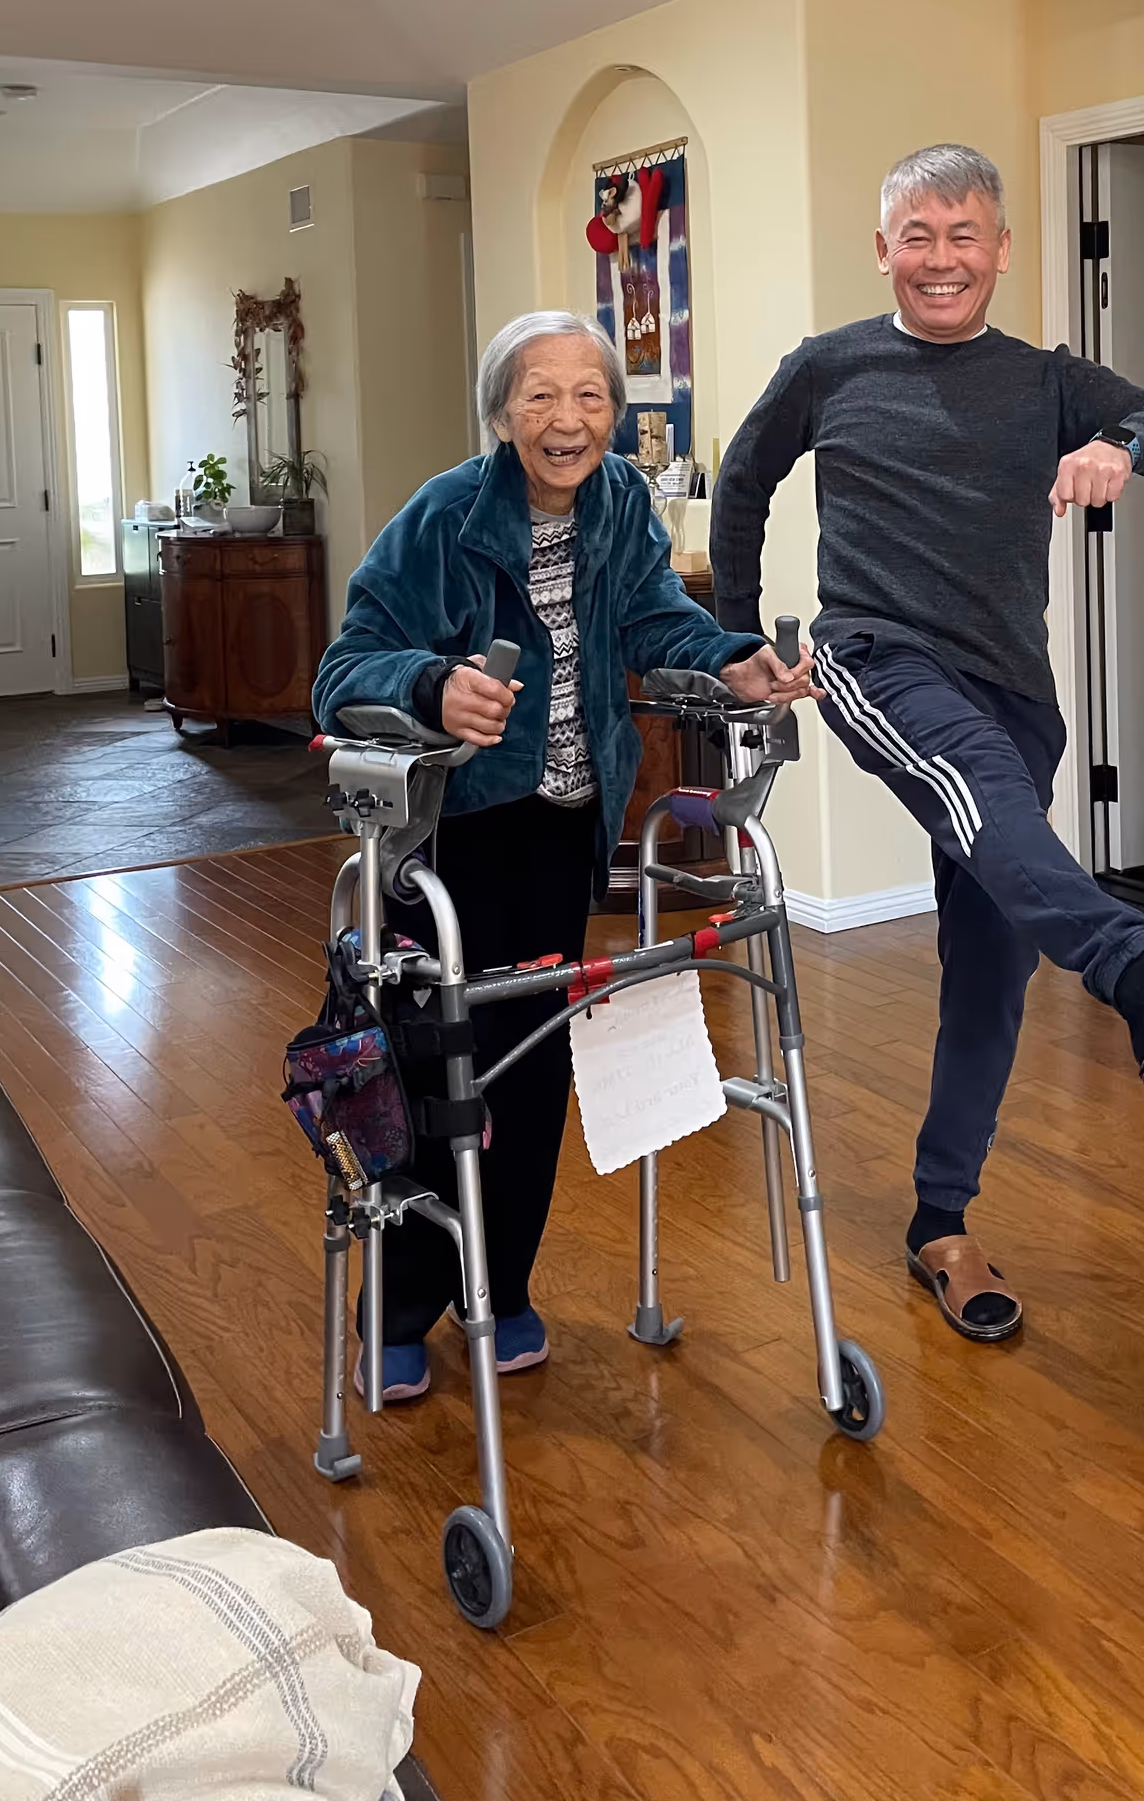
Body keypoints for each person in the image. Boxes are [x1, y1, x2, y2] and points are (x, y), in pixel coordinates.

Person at [709, 143, 1144, 1346]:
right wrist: (735, 637)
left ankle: (942, 1221)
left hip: (1016, 691)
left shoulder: (1045, 376)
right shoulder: (828, 367)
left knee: (989, 963)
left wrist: (1124, 446)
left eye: (965, 235)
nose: (942, 259)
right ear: (882, 247)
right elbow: (742, 483)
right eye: (918, 236)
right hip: (877, 655)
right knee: (993, 805)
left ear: (1000, 247)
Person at [314, 309, 804, 1400]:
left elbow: (653, 621)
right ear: (500, 412)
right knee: (437, 1074)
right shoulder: (442, 518)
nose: (568, 419)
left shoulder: (622, 503)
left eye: (590, 397)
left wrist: (731, 661)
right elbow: (342, 667)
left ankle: (504, 1284)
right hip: (451, 832)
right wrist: (430, 684)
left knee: (528, 1075)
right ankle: (395, 1305)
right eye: (541, 395)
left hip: (559, 829)